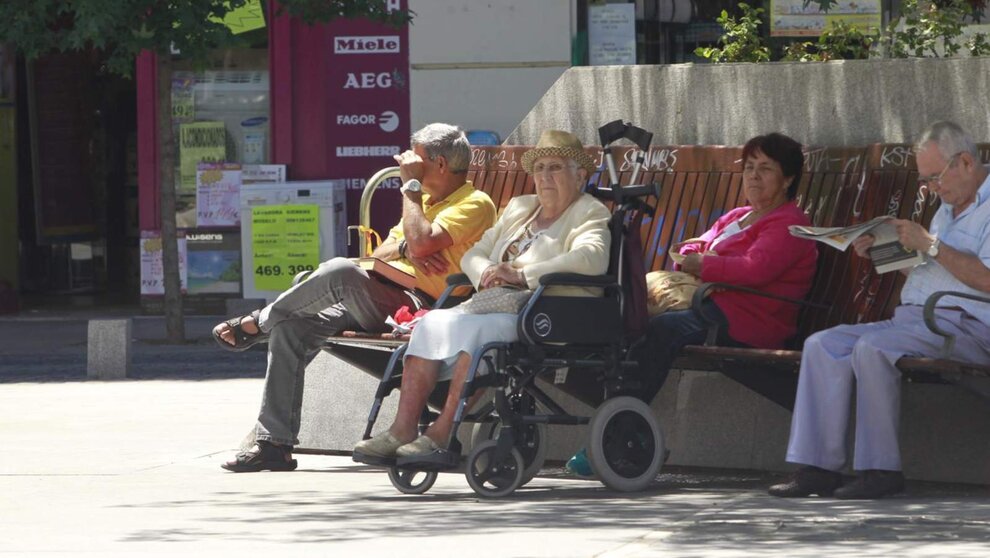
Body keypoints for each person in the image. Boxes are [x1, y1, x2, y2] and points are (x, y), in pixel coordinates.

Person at [217, 123, 497, 472]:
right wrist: (412, 245)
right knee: (291, 328)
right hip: (384, 294)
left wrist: (410, 200)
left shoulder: (474, 203)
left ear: (440, 164)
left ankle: (259, 322)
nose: (405, 162)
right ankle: (274, 444)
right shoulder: (424, 202)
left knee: (341, 270)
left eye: (416, 158)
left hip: (425, 306)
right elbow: (384, 252)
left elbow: (422, 243)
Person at [567, 132, 819, 477]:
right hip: (712, 306)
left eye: (766, 169)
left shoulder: (790, 223)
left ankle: (616, 433)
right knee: (626, 317)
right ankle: (622, 427)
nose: (754, 176)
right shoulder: (738, 216)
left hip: (751, 319)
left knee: (661, 329)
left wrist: (706, 264)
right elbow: (693, 246)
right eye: (748, 168)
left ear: (788, 178)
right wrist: (695, 256)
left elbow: (754, 269)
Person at [352, 129, 611, 461]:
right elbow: (475, 253)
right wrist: (487, 274)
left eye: (556, 167)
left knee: (477, 334)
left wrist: (521, 274)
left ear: (580, 176)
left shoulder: (590, 212)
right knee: (431, 324)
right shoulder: (521, 207)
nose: (545, 176)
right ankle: (402, 429)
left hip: (548, 311)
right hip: (496, 301)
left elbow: (591, 258)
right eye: (540, 167)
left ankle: (441, 433)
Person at [769, 121, 990, 499]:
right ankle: (819, 467)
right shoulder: (948, 207)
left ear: (966, 163)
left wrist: (932, 246)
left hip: (965, 326)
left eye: (935, 178)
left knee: (873, 349)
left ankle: (880, 470)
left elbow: (984, 280)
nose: (932, 189)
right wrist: (882, 252)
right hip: (918, 319)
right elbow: (931, 270)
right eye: (925, 181)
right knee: (822, 344)